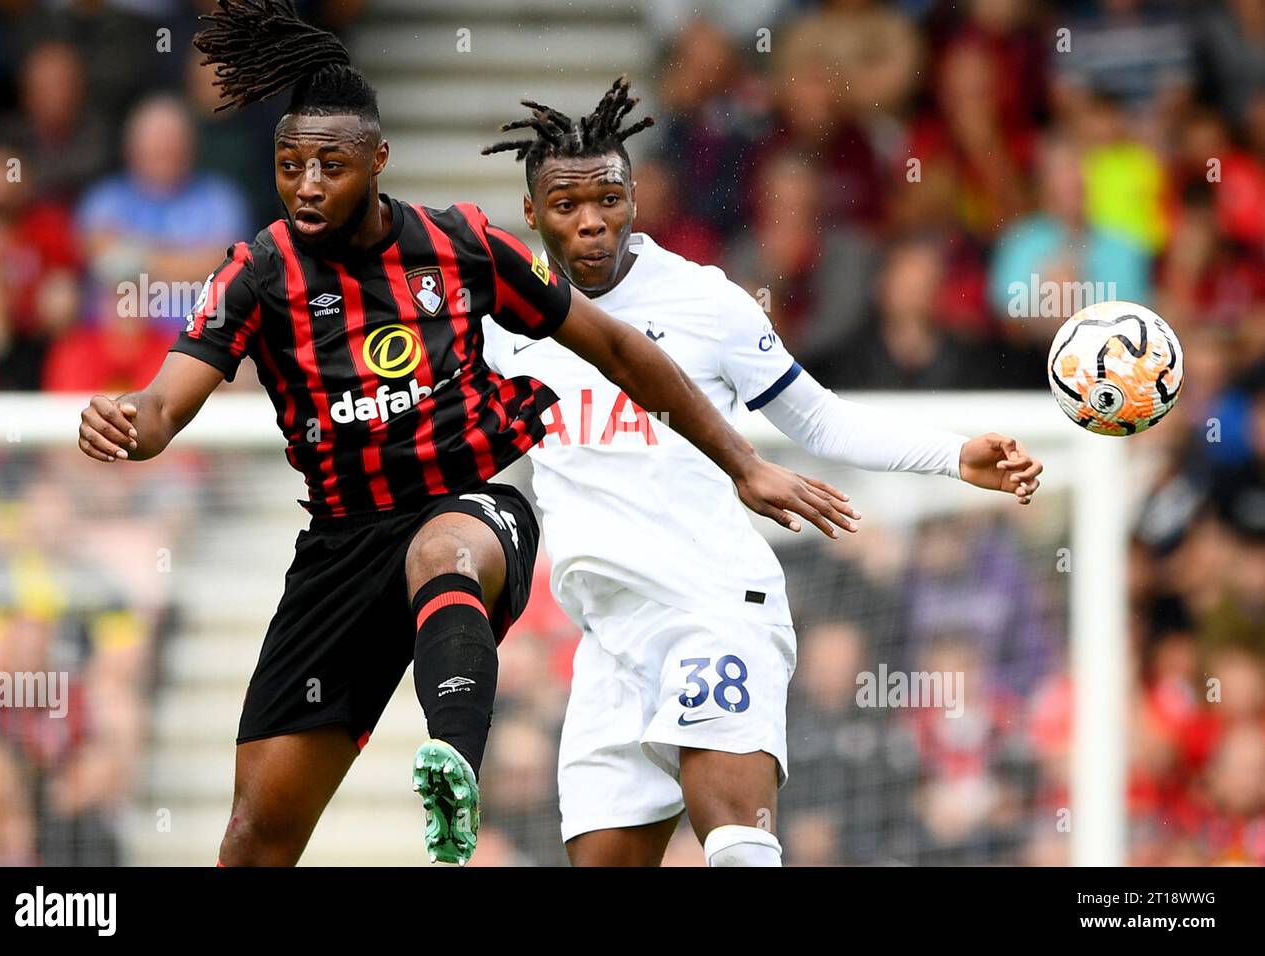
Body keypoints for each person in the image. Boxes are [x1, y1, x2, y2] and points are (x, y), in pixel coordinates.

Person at [74, 1, 848, 867]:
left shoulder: (461, 247)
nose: (307, 186)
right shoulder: (258, 272)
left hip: (471, 505)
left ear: (379, 160)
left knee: (441, 552)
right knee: (256, 837)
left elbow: (620, 348)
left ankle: (452, 767)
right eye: (290, 165)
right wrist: (125, 423)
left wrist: (743, 464)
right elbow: (162, 409)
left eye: (330, 164)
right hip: (339, 546)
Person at [480, 78, 1045, 867]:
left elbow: (818, 419)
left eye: (608, 197)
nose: (591, 221)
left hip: (713, 606)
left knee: (740, 849)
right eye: (567, 205)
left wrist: (953, 455)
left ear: (636, 197)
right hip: (608, 641)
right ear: (534, 214)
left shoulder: (705, 302)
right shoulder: (504, 323)